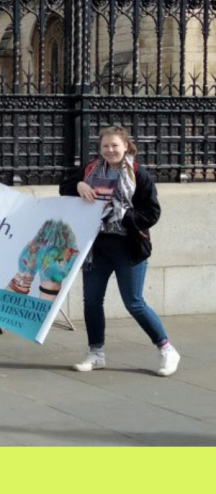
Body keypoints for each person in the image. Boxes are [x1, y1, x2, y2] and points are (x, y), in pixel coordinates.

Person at [60, 126, 179, 377]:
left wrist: (124, 215)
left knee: (134, 303)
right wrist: (79, 184)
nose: (110, 150)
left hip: (128, 248)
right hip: (96, 247)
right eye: (105, 146)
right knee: (92, 302)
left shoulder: (138, 174)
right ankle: (96, 353)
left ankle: (167, 349)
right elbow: (65, 187)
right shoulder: (90, 169)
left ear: (126, 146)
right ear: (100, 148)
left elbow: (152, 213)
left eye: (115, 145)